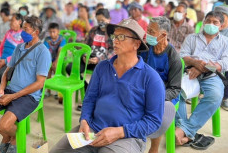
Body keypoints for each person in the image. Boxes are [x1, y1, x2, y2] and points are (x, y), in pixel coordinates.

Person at [50, 19, 165, 153]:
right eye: (114, 36)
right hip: (93, 130)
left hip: (128, 137)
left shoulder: (151, 78)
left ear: (136, 44)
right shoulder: (102, 67)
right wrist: (85, 120)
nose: (115, 41)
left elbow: (153, 121)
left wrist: (120, 132)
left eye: (121, 37)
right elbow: (89, 99)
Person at [0, 16, 51, 153]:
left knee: (4, 124)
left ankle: (14, 138)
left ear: (35, 32)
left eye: (25, 29)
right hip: (10, 90)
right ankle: (8, 136)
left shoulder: (43, 52)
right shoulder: (19, 47)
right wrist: (1, 89)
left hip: (29, 96)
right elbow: (7, 71)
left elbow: (40, 83)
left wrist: (12, 97)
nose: (22, 32)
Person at [176, 11, 228, 149]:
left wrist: (201, 67)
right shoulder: (192, 38)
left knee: (215, 96)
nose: (211, 24)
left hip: (212, 76)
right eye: (208, 21)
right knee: (175, 91)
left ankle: (184, 130)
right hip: (190, 72)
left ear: (221, 26)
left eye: (215, 22)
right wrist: (195, 63)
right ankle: (184, 129)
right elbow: (183, 55)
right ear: (203, 23)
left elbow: (225, 64)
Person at [140, 17, 182, 153]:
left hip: (165, 94)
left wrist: (157, 97)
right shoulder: (146, 49)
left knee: (157, 110)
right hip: (145, 89)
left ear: (163, 35)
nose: (148, 34)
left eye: (151, 31)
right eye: (147, 30)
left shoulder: (173, 57)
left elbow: (175, 89)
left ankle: (154, 148)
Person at [66, 9, 114, 110]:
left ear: (109, 19)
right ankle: (88, 91)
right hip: (89, 58)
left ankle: (90, 100)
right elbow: (85, 44)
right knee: (70, 68)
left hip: (103, 61)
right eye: (98, 20)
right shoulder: (93, 30)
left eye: (103, 20)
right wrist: (84, 56)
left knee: (98, 74)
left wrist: (99, 59)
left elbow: (113, 51)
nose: (101, 23)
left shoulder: (112, 33)